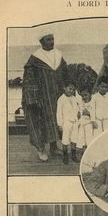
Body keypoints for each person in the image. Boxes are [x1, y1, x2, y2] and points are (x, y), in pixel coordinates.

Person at [22, 31, 68, 162]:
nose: (51, 42)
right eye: (48, 40)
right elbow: (29, 79)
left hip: (56, 95)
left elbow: (65, 72)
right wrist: (33, 98)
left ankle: (53, 147)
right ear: (41, 42)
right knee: (39, 122)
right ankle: (41, 149)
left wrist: (68, 87)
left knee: (55, 120)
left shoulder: (58, 54)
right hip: (41, 97)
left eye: (52, 39)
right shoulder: (35, 58)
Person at [56, 80, 80, 164]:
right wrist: (60, 124)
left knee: (74, 138)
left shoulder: (74, 98)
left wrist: (78, 114)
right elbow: (59, 112)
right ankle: (65, 155)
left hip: (74, 121)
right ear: (64, 88)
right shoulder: (61, 99)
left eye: (73, 90)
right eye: (69, 89)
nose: (71, 91)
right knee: (65, 139)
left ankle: (73, 154)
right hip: (66, 122)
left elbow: (78, 107)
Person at [77, 86, 97, 153]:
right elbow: (80, 111)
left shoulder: (93, 102)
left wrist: (89, 114)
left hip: (89, 123)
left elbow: (95, 113)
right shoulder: (81, 102)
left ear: (90, 94)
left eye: (86, 95)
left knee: (89, 138)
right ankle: (83, 151)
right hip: (83, 122)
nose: (84, 97)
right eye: (82, 96)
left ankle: (89, 152)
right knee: (82, 138)